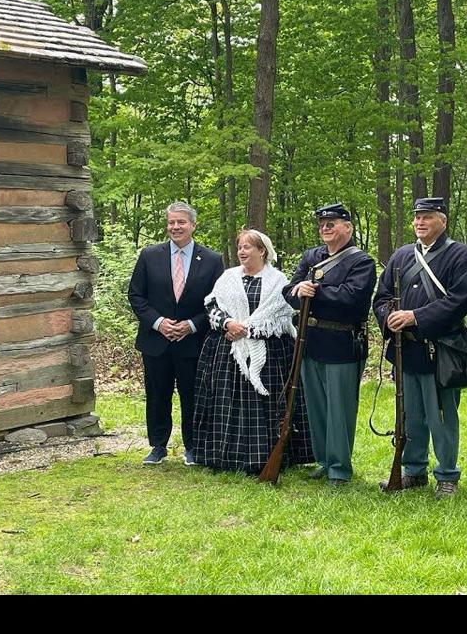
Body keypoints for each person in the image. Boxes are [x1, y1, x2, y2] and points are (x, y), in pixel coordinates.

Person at [372, 197, 467, 498]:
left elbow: (459, 301)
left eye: (427, 217)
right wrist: (389, 318)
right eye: (417, 217)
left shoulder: (460, 255)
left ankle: (447, 475)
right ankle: (413, 470)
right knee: (410, 415)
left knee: (442, 416)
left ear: (442, 221)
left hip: (440, 350)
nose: (420, 222)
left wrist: (415, 316)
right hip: (406, 351)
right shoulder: (402, 255)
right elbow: (380, 297)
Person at [191, 229, 313, 474]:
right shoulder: (227, 277)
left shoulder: (278, 280)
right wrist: (227, 323)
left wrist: (247, 329)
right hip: (228, 351)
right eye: (240, 247)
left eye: (247, 247)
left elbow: (280, 313)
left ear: (262, 251)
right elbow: (213, 304)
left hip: (269, 352)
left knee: (265, 405)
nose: (242, 252)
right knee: (227, 404)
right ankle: (224, 457)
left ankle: (266, 457)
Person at [282, 204, 377, 486]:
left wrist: (315, 292)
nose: (326, 227)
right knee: (316, 406)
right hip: (310, 340)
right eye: (323, 223)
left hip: (341, 341)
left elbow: (352, 297)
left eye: (332, 223)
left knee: (339, 408)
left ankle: (339, 467)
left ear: (347, 227)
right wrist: (299, 292)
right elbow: (289, 291)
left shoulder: (361, 262)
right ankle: (323, 460)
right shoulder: (312, 256)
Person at [127, 201, 224, 466]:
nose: (175, 227)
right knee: (157, 394)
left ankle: (193, 447)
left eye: (181, 222)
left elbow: (217, 302)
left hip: (193, 342)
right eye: (171, 222)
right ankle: (158, 446)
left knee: (193, 396)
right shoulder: (149, 255)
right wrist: (158, 323)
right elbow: (136, 295)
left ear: (193, 224)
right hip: (156, 341)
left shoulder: (213, 260)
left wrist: (191, 325)